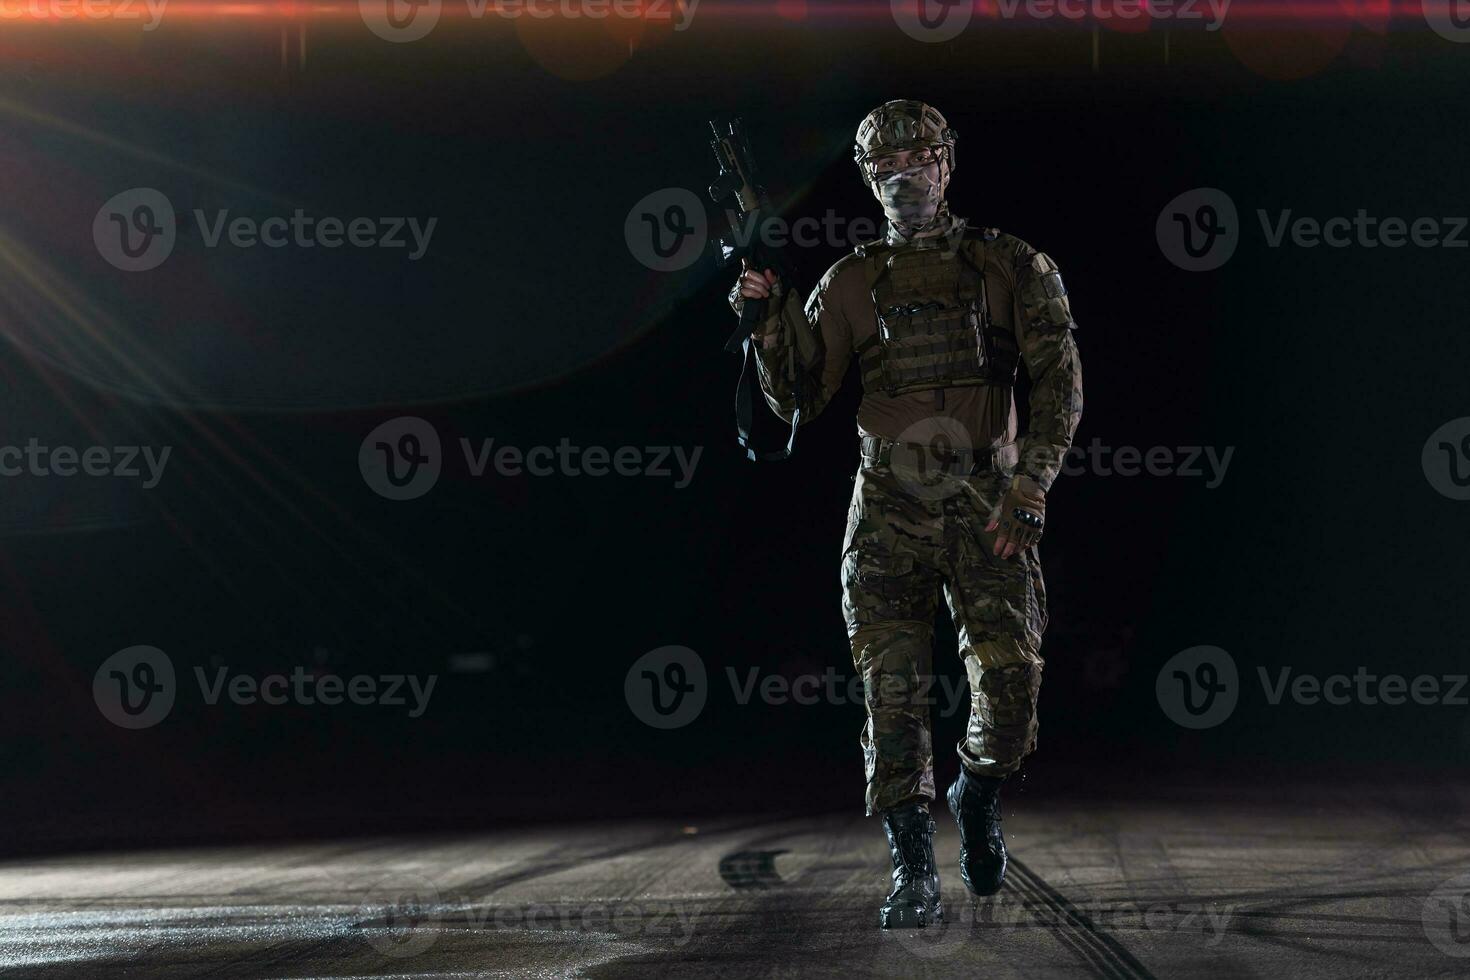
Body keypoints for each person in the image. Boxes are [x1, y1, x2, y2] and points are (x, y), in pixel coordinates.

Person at [731, 100, 1083, 929]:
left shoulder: (1010, 266)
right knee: (892, 692)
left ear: (947, 162)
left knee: (1011, 679)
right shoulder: (852, 281)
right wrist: (768, 325)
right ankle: (912, 869)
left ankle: (980, 789)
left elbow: (1059, 383)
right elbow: (802, 400)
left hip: (988, 500)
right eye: (884, 168)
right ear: (868, 178)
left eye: (917, 160)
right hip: (887, 503)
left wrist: (1031, 486)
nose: (902, 178)